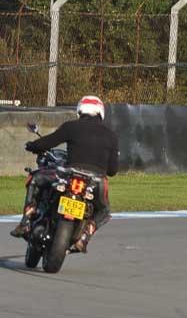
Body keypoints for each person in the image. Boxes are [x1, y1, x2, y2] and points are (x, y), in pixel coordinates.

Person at [10, 96, 119, 253]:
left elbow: (49, 141)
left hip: (69, 173)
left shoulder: (72, 127)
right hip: (97, 181)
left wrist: (33, 145)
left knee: (36, 178)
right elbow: (113, 170)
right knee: (104, 210)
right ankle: (85, 236)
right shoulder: (111, 136)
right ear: (100, 112)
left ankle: (26, 221)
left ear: (80, 110)